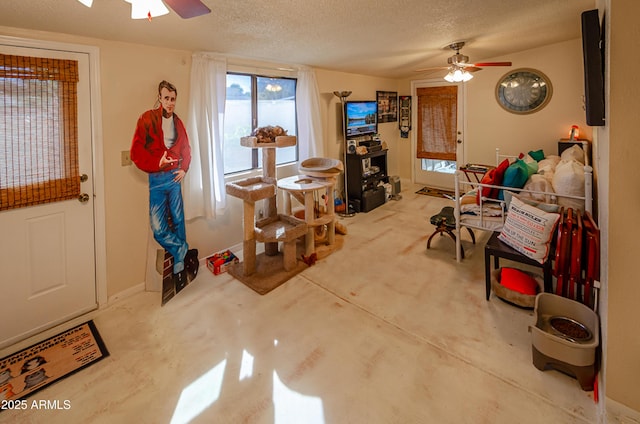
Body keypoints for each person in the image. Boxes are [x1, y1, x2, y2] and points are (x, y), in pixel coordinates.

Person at [130, 80, 198, 290]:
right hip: (157, 179)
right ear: (160, 97)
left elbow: (186, 148)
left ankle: (179, 267)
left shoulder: (178, 122)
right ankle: (183, 249)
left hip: (175, 178)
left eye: (173, 99)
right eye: (167, 98)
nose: (170, 103)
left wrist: (184, 169)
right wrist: (156, 163)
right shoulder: (146, 118)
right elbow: (135, 152)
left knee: (178, 221)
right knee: (159, 229)